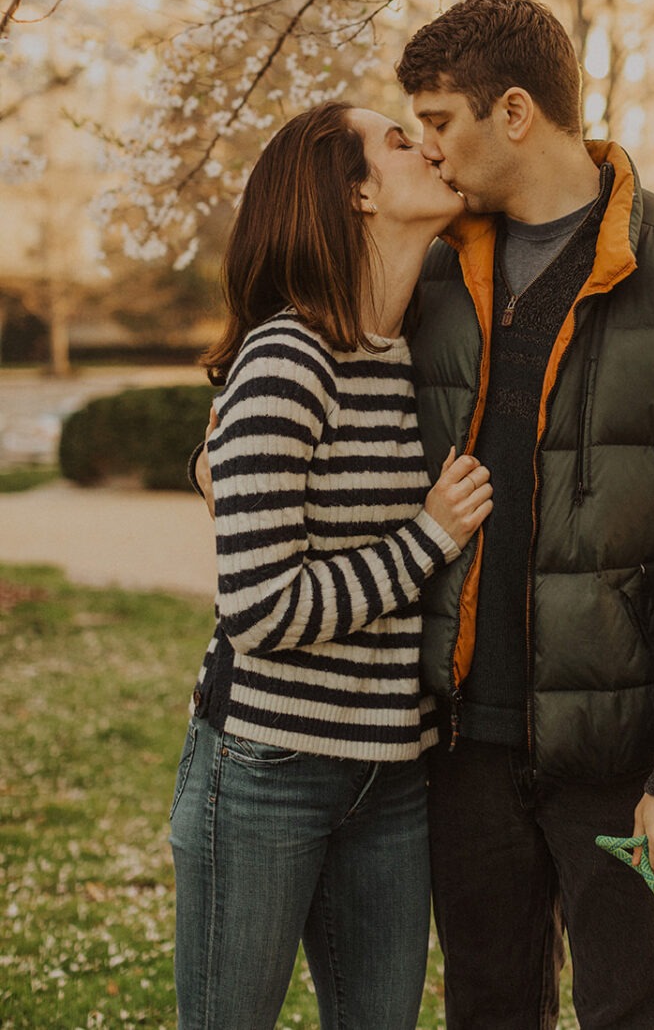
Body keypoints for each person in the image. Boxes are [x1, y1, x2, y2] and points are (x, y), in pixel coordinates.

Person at [394, 0, 654, 1030]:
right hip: (462, 749)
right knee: (488, 1011)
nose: (428, 152)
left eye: (439, 121)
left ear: (512, 112)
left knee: (633, 1017)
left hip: (621, 760)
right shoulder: (424, 264)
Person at [171, 100, 492, 1030]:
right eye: (398, 140)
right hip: (269, 767)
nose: (427, 147)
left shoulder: (417, 349)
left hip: (392, 770)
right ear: (355, 193)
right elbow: (261, 609)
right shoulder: (289, 357)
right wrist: (426, 538)